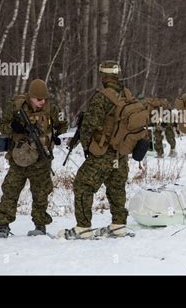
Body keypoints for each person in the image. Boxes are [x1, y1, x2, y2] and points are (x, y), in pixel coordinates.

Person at [58, 60, 137, 239]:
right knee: (116, 187)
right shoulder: (128, 95)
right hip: (121, 154)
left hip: (104, 153)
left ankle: (83, 229)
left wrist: (88, 147)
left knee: (83, 184)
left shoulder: (102, 96)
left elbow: (88, 126)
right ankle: (118, 225)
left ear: (103, 76)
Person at [0, 79, 67, 238]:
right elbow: (2, 125)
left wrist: (57, 135)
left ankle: (40, 226)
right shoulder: (16, 106)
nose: (42, 102)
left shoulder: (51, 108)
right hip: (18, 159)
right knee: (10, 191)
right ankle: (2, 226)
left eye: (44, 99)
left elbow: (62, 125)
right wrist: (13, 127)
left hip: (41, 160)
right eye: (39, 99)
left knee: (41, 194)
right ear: (30, 97)